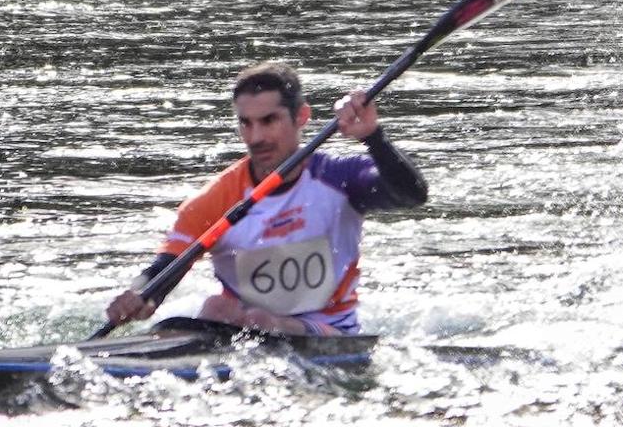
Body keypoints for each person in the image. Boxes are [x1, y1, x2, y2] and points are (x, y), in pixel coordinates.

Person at [104, 61, 428, 336]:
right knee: (215, 307)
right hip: (238, 326)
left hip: (328, 329)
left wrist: (374, 138)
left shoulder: (340, 178)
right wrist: (141, 295)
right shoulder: (216, 199)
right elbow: (166, 267)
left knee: (261, 321)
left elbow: (411, 195)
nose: (256, 137)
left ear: (301, 117)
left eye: (269, 121)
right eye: (246, 123)